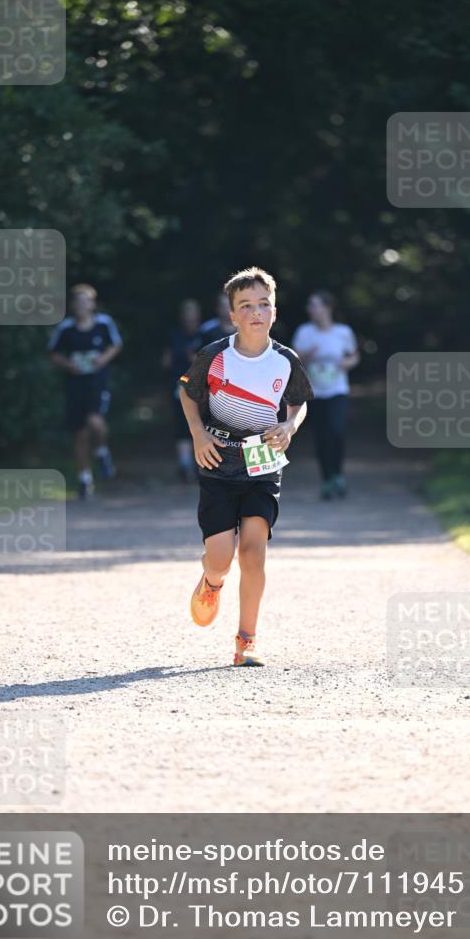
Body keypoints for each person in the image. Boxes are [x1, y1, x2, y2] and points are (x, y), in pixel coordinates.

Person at [179, 267, 314, 667]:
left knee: (253, 554)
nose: (256, 312)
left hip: (263, 462)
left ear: (274, 310)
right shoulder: (215, 355)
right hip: (218, 458)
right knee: (221, 557)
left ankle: (246, 641)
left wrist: (290, 425)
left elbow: (299, 401)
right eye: (246, 306)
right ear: (232, 315)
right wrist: (199, 435)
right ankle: (212, 580)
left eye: (263, 304)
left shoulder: (285, 359)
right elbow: (187, 394)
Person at [47, 283, 123, 499]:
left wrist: (102, 359)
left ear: (92, 304)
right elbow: (53, 352)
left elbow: (116, 345)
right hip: (74, 384)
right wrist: (68, 365)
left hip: (97, 382)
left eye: (86, 301)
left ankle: (101, 451)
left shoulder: (103, 324)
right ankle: (84, 479)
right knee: (79, 433)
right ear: (72, 305)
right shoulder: (66, 328)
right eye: (78, 301)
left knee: (95, 422)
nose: (82, 305)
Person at [292, 291, 360, 500]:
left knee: (336, 430)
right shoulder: (304, 332)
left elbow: (354, 355)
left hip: (337, 390)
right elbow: (292, 359)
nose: (310, 309)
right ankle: (327, 480)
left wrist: (347, 363)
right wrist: (305, 355)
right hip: (314, 392)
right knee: (321, 437)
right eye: (310, 306)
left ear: (327, 308)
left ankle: (338, 473)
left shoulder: (343, 332)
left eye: (315, 305)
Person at [161, 298, 202, 482]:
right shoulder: (174, 335)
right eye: (186, 313)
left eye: (192, 312)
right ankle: (185, 464)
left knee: (203, 421)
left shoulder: (205, 334)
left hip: (203, 385)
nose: (189, 317)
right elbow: (166, 361)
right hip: (180, 383)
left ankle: (201, 463)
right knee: (183, 421)